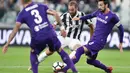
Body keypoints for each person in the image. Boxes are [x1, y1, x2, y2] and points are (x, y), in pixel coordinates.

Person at [2, 0, 78, 73]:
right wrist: (62, 28)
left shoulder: (22, 13)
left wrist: (7, 44)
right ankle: (75, 71)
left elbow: (15, 30)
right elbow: (55, 13)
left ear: (21, 1)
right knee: (60, 50)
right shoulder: (41, 6)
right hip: (50, 33)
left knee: (33, 53)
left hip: (38, 36)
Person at [63, 0, 124, 73]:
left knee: (79, 50)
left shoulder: (113, 16)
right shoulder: (98, 12)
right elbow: (90, 16)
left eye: (101, 5)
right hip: (94, 39)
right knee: (90, 61)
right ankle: (107, 69)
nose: (99, 7)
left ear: (106, 5)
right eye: (98, 5)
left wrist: (120, 42)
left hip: (99, 42)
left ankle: (64, 70)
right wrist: (80, 18)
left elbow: (121, 28)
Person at [29, 0, 94, 67]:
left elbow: (91, 26)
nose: (70, 12)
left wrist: (91, 40)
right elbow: (54, 25)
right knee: (50, 51)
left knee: (78, 50)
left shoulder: (82, 15)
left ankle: (64, 66)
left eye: (72, 10)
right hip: (63, 38)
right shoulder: (64, 15)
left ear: (77, 8)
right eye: (69, 10)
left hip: (74, 39)